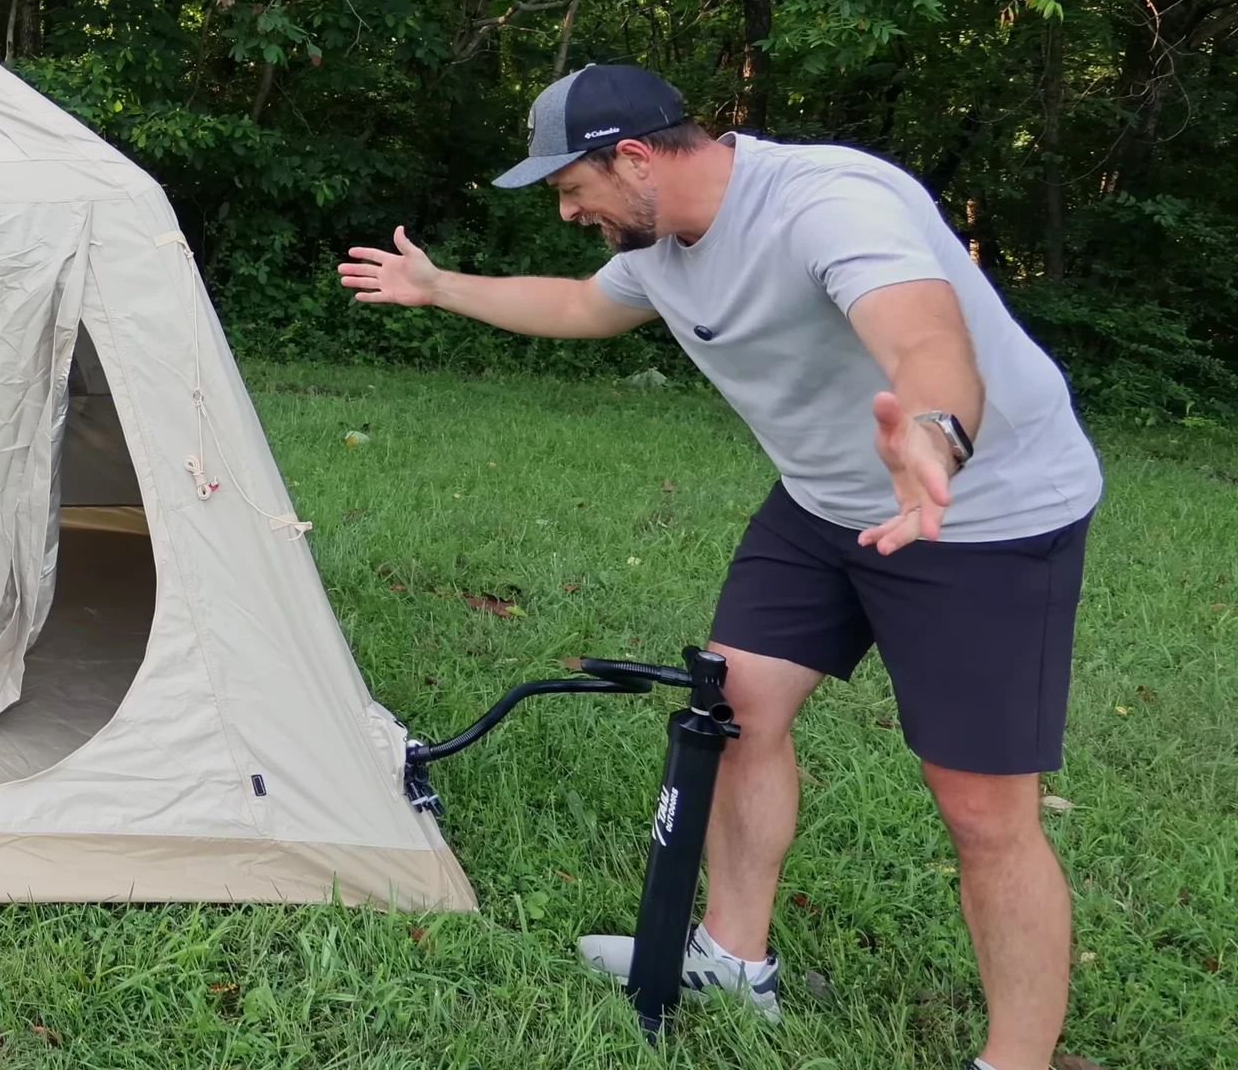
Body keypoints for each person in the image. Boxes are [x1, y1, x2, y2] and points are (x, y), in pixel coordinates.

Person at [340, 63, 1100, 1070]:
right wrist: (439, 287)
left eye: (572, 186)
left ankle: (1017, 1058)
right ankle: (733, 957)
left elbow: (924, 331)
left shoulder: (826, 205)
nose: (566, 209)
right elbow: (578, 306)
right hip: (820, 503)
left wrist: (930, 432)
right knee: (732, 708)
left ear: (638, 156)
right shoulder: (655, 242)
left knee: (981, 809)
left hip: (974, 513)